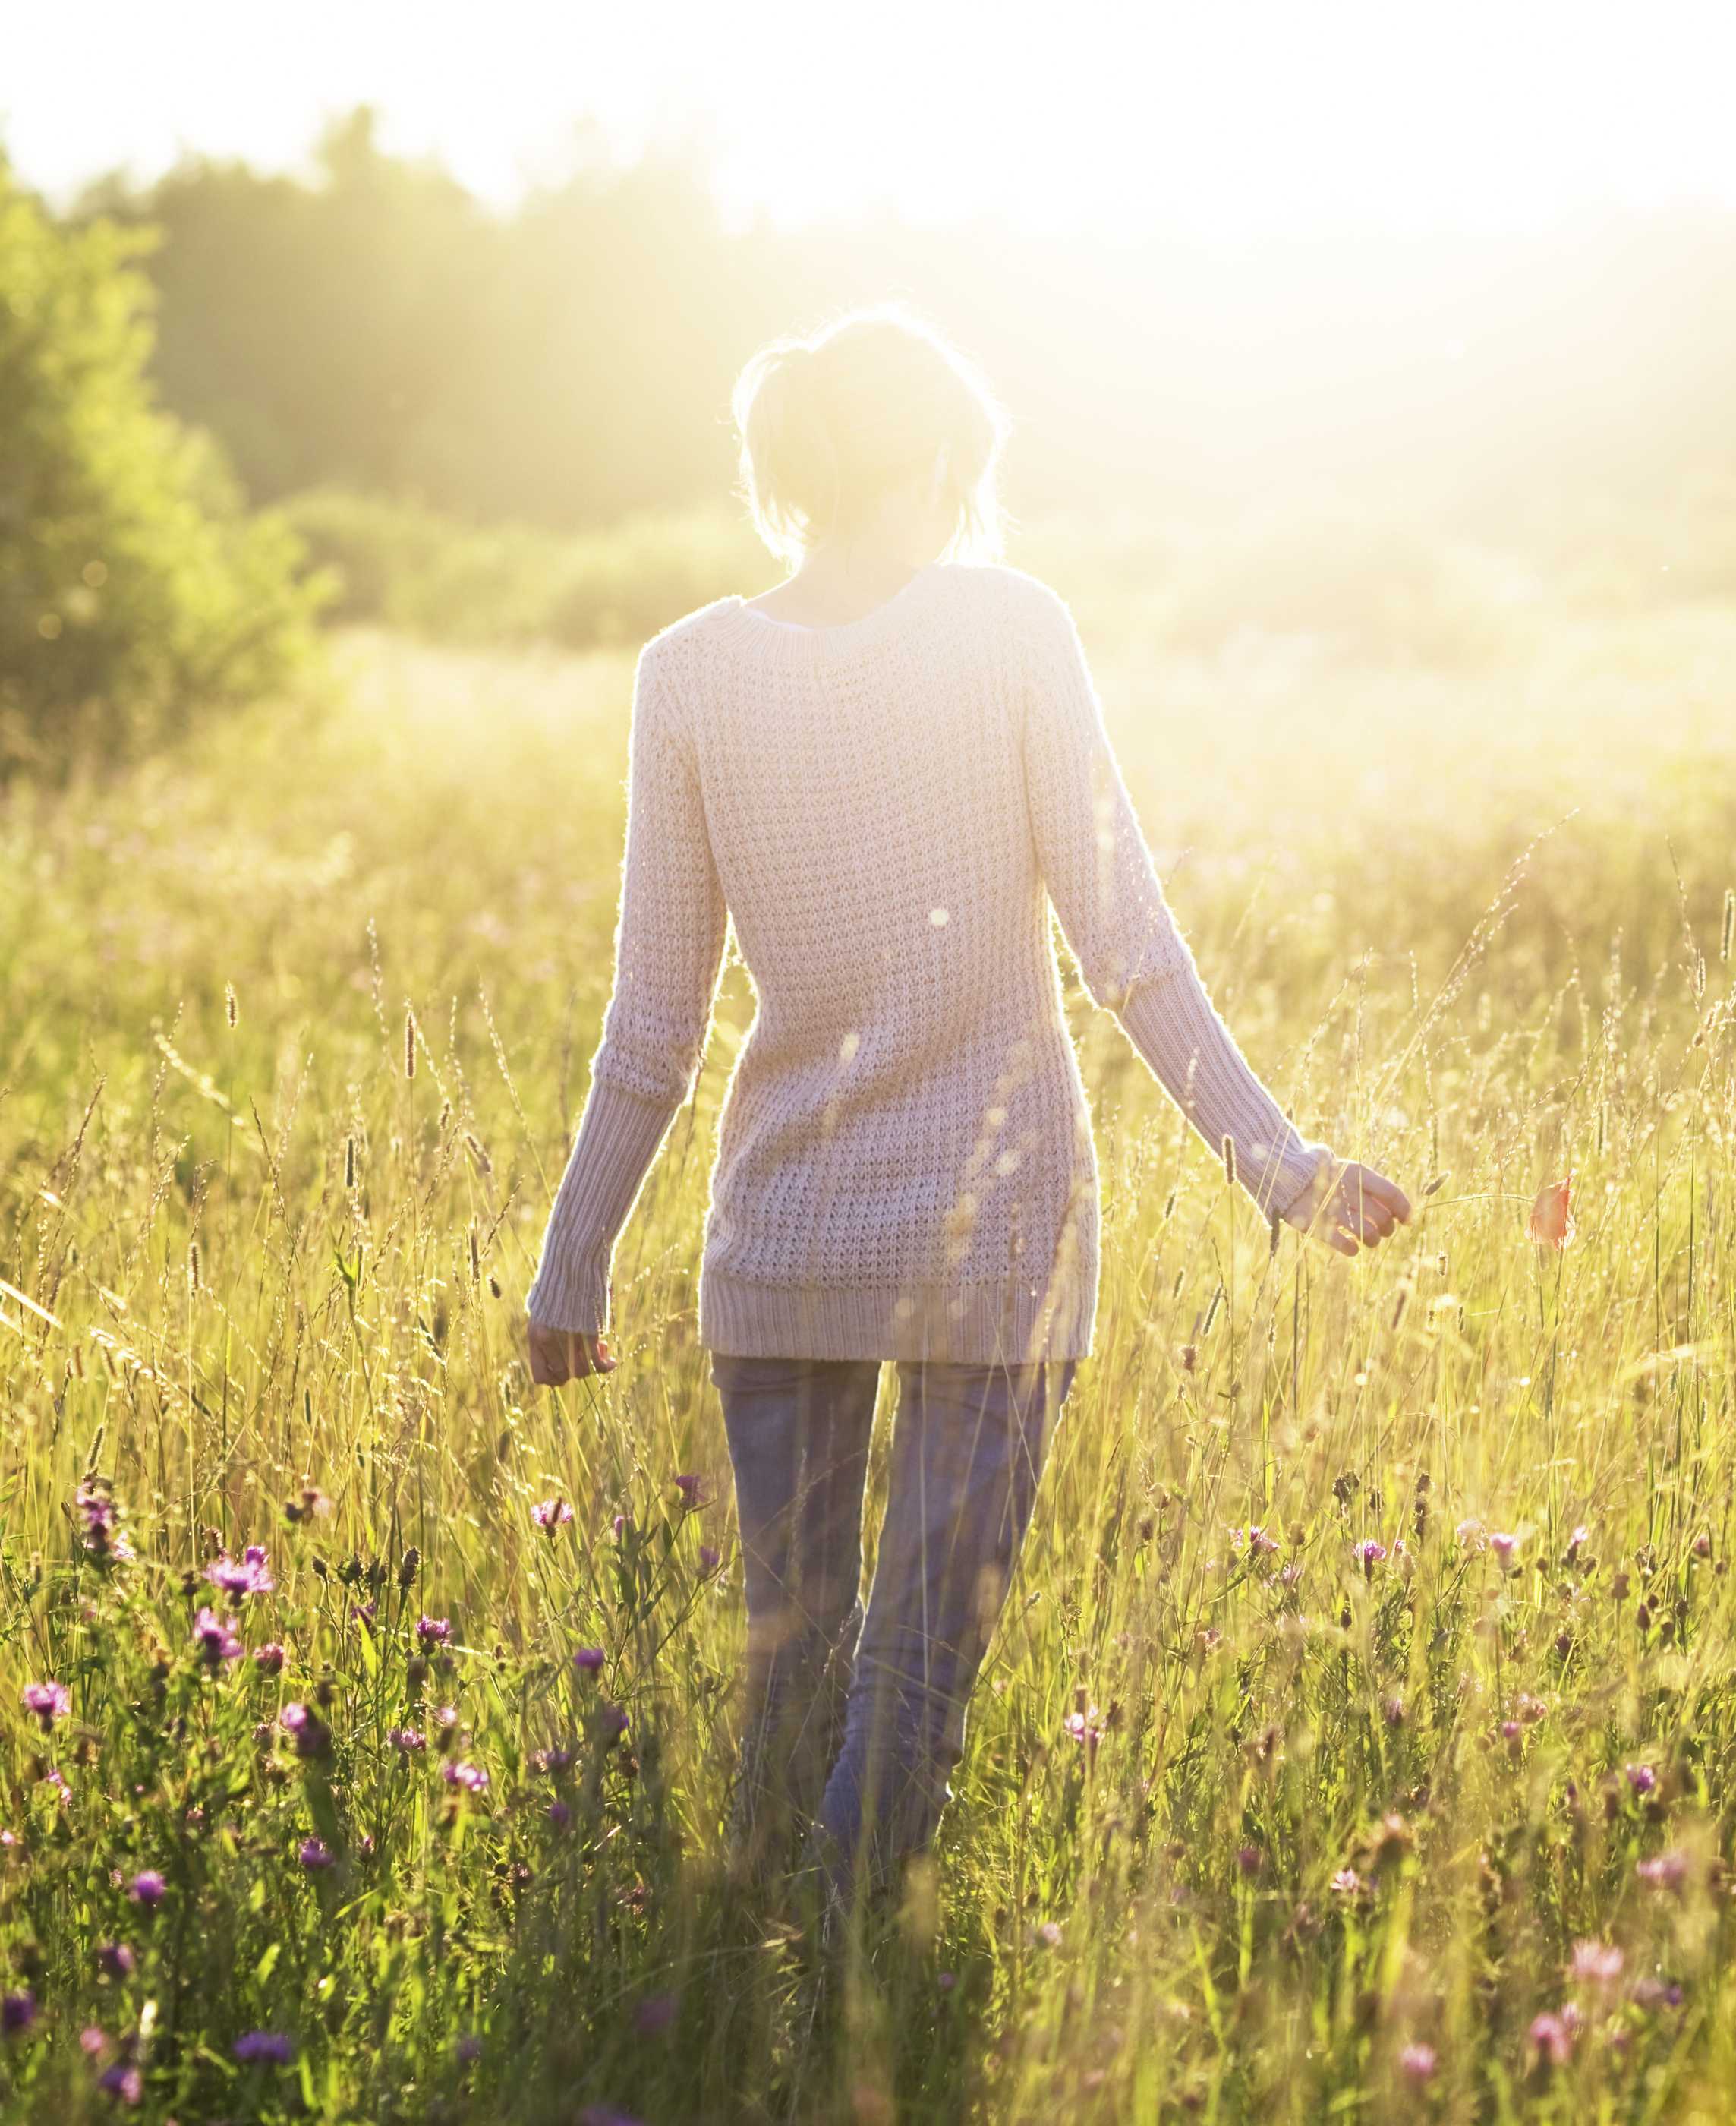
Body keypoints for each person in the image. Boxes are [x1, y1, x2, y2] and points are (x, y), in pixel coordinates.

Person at [518, 304, 1411, 1904]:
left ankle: (746, 2011)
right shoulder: (1012, 632)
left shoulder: (689, 673)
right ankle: (844, 2005)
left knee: (791, 1682)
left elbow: (655, 1019)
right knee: (913, 1681)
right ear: (936, 458)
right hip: (999, 1242)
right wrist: (1281, 1169)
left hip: (779, 1238)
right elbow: (1127, 945)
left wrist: (572, 1257)